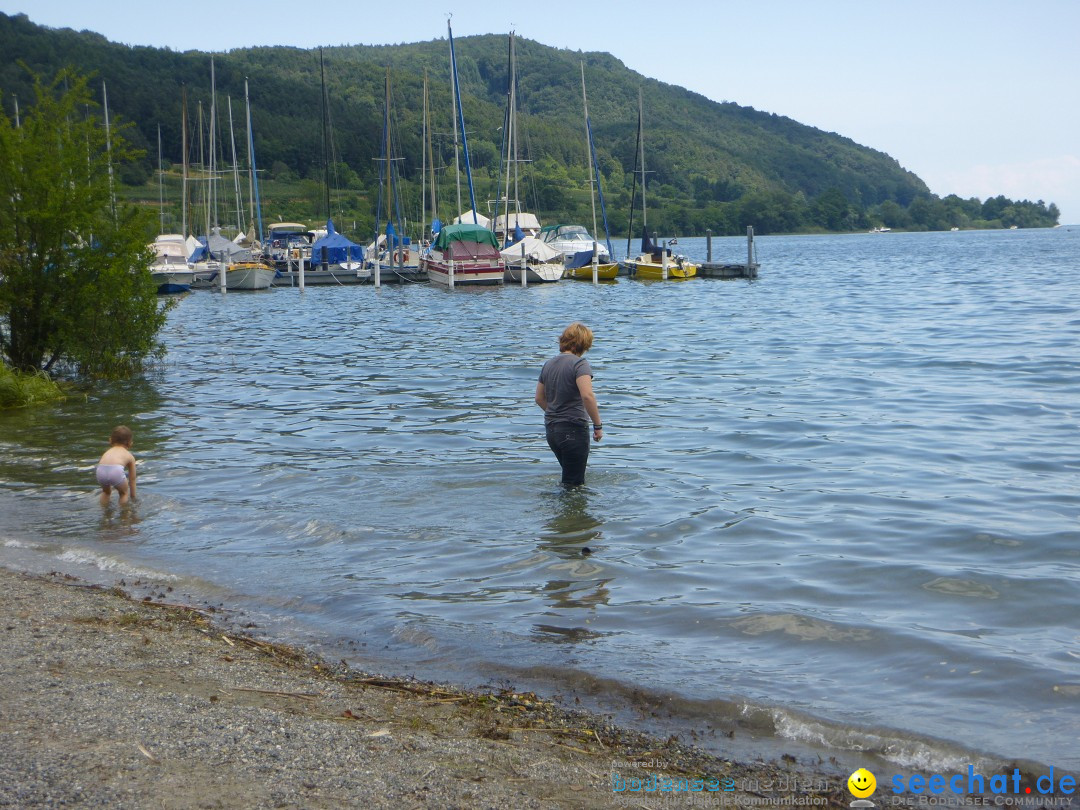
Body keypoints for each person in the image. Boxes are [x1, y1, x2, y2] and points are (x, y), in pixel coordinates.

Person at [535, 322, 603, 487]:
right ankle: (569, 512)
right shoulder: (580, 364)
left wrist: (556, 413)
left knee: (569, 479)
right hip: (573, 429)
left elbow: (539, 398)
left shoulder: (549, 364)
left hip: (552, 431)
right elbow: (587, 396)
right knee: (574, 485)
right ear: (584, 343)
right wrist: (597, 425)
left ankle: (559, 510)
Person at [96, 425, 137, 506]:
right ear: (130, 443)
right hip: (116, 471)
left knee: (106, 492)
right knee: (123, 494)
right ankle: (124, 516)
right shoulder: (129, 456)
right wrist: (133, 497)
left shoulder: (107, 452)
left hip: (101, 470)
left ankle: (105, 515)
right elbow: (132, 480)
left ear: (110, 440)